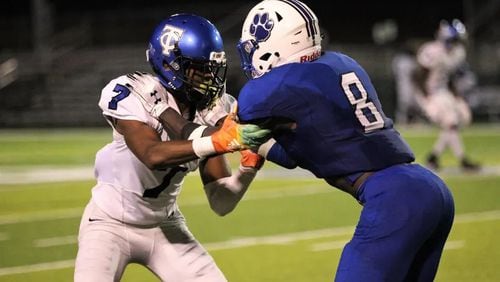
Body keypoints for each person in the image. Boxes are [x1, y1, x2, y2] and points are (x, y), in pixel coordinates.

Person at [232, 0, 455, 281]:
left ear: (273, 43)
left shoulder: (276, 85)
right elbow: (293, 156)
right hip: (429, 188)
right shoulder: (341, 63)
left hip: (394, 199)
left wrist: (224, 120)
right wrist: (259, 143)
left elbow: (243, 110)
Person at [74, 13, 269, 282]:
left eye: (213, 68)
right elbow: (152, 155)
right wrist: (218, 140)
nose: (210, 77)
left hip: (165, 224)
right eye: (198, 68)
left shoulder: (211, 108)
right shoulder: (138, 92)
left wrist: (248, 169)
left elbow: (221, 203)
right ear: (170, 64)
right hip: (108, 224)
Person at [414, 19, 480, 171]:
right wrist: (426, 97)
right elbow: (417, 75)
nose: (457, 43)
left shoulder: (457, 53)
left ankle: (434, 156)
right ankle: (462, 160)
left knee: (459, 121)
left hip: (443, 92)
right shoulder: (432, 51)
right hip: (430, 93)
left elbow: (450, 77)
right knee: (451, 123)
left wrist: (455, 95)